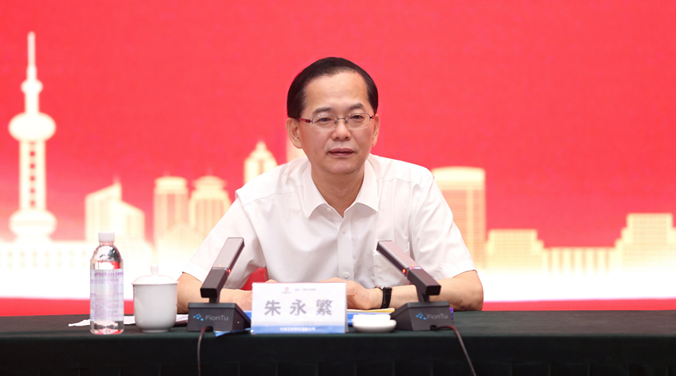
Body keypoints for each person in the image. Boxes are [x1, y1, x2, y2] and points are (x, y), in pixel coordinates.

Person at [177, 57, 483, 313]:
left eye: (356, 117)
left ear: (374, 128)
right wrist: (249, 300)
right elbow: (184, 291)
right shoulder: (261, 199)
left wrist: (375, 298)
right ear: (295, 132)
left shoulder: (413, 187)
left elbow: (469, 292)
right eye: (324, 119)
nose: (342, 132)